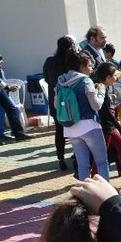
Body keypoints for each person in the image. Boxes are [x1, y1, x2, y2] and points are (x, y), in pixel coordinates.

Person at [57, 50, 109, 181]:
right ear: (81, 66)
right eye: (90, 66)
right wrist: (101, 92)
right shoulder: (86, 81)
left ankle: (84, 196)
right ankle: (106, 195)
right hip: (89, 126)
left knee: (82, 165)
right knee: (101, 162)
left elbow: (56, 105)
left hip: (70, 128)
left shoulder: (61, 81)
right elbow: (95, 106)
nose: (92, 69)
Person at [44, 36, 77, 170]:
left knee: (59, 130)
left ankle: (60, 158)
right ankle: (77, 155)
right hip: (71, 101)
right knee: (75, 129)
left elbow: (46, 78)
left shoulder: (50, 61)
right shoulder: (71, 61)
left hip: (56, 100)